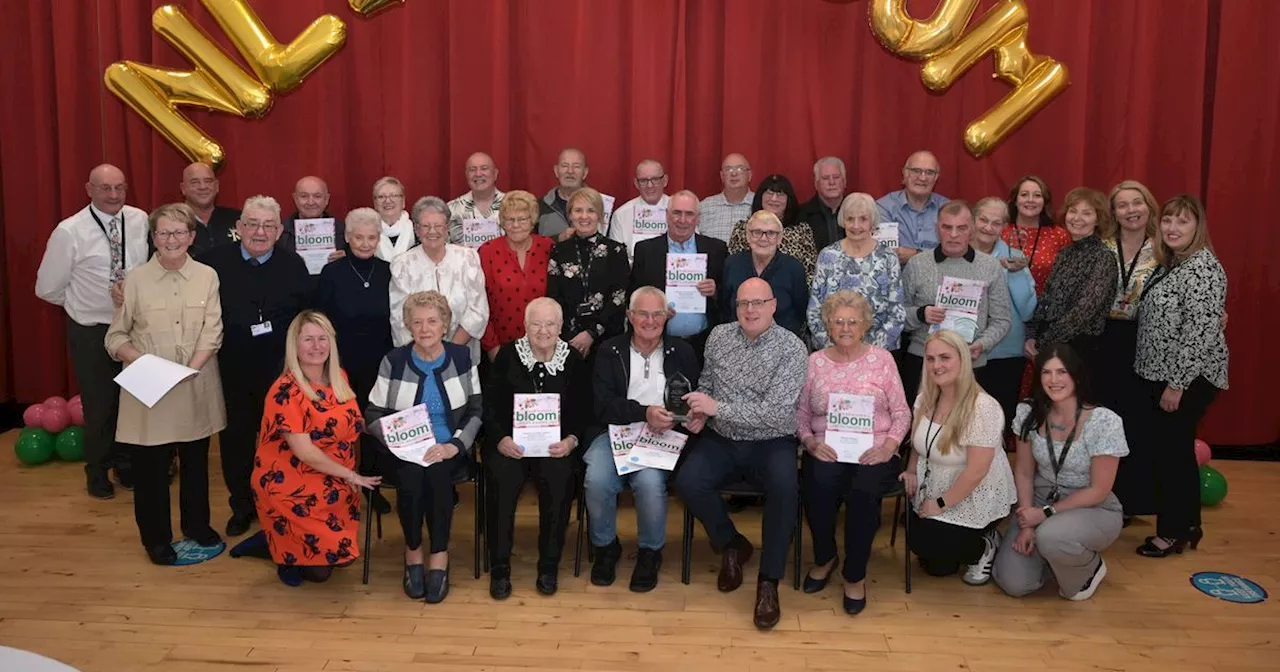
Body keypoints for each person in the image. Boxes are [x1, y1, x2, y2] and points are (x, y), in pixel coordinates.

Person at [675, 278, 808, 630]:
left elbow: (777, 414)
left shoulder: (792, 348)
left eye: (758, 303)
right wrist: (700, 412)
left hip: (772, 440)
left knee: (785, 490)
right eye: (743, 303)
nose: (751, 310)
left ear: (773, 305)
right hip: (723, 438)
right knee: (688, 481)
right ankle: (732, 544)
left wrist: (717, 407)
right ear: (735, 306)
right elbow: (706, 384)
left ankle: (769, 581)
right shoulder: (718, 337)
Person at [105, 203, 225, 565]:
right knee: (151, 472)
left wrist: (189, 371)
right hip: (149, 391)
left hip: (194, 384)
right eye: (163, 233)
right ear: (153, 238)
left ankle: (197, 528)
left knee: (195, 466)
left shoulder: (208, 276)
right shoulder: (135, 280)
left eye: (179, 232)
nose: (171, 239)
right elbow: (115, 336)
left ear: (191, 237)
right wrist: (141, 362)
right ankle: (155, 539)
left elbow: (213, 330)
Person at [198, 196, 312, 536]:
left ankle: (278, 505)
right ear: (239, 228)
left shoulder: (294, 266)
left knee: (281, 441)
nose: (259, 232)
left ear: (279, 231)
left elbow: (305, 317)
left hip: (280, 371)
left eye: (268, 226)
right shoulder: (212, 264)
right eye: (252, 224)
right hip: (231, 368)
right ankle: (242, 506)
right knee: (236, 442)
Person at [36, 164, 148, 498]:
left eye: (119, 188)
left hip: (134, 329)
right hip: (92, 329)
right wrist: (86, 306)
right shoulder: (69, 231)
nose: (113, 195)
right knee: (100, 406)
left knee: (134, 402)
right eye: (105, 188)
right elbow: (47, 288)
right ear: (89, 189)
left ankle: (126, 465)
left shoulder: (141, 219)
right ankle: (97, 471)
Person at [795, 291, 910, 615]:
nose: (845, 327)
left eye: (852, 321)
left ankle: (854, 574)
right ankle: (825, 555)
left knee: (864, 490)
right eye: (838, 321)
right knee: (816, 483)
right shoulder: (814, 362)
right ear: (828, 325)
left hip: (874, 448)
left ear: (865, 326)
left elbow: (902, 412)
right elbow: (801, 415)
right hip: (827, 446)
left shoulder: (882, 360)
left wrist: (888, 447)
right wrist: (811, 442)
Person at [364, 291, 483, 603]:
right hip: (403, 452)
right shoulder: (394, 361)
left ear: (445, 324)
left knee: (440, 476)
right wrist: (398, 441)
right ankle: (413, 551)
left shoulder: (461, 358)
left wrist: (455, 445)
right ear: (408, 326)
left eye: (432, 321)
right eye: (417, 322)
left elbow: (476, 409)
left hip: (448, 447)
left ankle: (439, 555)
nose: (425, 328)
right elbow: (373, 412)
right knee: (413, 478)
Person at [252, 311, 379, 586]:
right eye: (308, 339)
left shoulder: (338, 377)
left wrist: (395, 428)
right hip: (292, 483)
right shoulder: (285, 390)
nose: (316, 346)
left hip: (333, 477)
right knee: (320, 574)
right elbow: (306, 453)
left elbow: (355, 423)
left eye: (323, 339)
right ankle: (280, 550)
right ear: (294, 346)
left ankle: (277, 539)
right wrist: (352, 476)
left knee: (343, 559)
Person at [585, 287, 700, 591]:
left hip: (662, 436)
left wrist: (686, 418)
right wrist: (643, 412)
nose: (650, 321)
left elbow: (692, 400)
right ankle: (605, 547)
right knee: (596, 479)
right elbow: (602, 404)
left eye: (657, 314)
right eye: (643, 314)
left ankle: (650, 552)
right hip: (614, 432)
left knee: (649, 483)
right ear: (630, 316)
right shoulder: (608, 350)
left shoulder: (683, 352)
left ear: (667, 317)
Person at [992, 344, 1128, 600]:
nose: (1053, 380)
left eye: (1061, 372)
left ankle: (1089, 567)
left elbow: (1099, 489)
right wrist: (1025, 524)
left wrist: (1043, 515)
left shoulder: (1104, 421)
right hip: (1042, 497)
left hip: (1091, 505)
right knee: (1015, 583)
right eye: (1046, 373)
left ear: (1076, 375)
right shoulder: (1028, 413)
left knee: (1052, 536)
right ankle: (1051, 557)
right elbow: (1022, 472)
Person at [1132, 195, 1228, 557]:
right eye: (1168, 221)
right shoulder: (1173, 264)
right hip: (1163, 374)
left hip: (1186, 380)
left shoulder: (1203, 268)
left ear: (1197, 228)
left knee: (1172, 456)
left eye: (1182, 222)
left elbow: (1199, 333)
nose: (1173, 228)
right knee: (1174, 455)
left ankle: (1172, 533)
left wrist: (1177, 385)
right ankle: (1186, 525)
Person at [483, 298, 590, 599]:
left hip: (556, 446)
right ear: (525, 326)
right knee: (501, 480)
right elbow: (490, 405)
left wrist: (570, 441)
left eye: (550, 324)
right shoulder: (507, 355)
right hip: (510, 444)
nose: (543, 331)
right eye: (536, 324)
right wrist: (501, 439)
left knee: (559, 478)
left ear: (561, 326)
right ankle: (500, 566)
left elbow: (584, 410)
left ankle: (549, 565)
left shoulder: (572, 360)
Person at [900, 330, 1016, 584]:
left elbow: (977, 471)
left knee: (935, 548)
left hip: (973, 491)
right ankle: (950, 539)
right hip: (932, 483)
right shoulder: (925, 399)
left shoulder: (982, 408)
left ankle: (986, 542)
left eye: (944, 358)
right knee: (931, 559)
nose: (936, 365)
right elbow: (919, 444)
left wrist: (939, 504)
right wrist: (910, 471)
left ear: (963, 360)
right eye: (930, 359)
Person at [899, 201, 1012, 403]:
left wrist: (982, 344)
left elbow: (1002, 320)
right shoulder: (917, 264)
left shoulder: (990, 267)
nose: (953, 234)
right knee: (921, 428)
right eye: (947, 227)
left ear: (972, 230)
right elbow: (898, 315)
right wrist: (920, 314)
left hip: (971, 361)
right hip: (924, 361)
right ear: (937, 229)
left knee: (968, 429)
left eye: (961, 228)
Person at [1100, 180, 1160, 519]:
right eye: (1122, 205)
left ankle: (1135, 501)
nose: (1130, 210)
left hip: (1145, 339)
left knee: (1139, 420)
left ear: (1148, 206)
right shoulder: (1103, 247)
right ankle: (1108, 497)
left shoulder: (1164, 248)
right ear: (1114, 213)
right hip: (1106, 342)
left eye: (1137, 203)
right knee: (1110, 420)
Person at [389, 196, 489, 363]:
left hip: (461, 355)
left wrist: (449, 352)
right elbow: (400, 318)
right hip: (418, 359)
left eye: (438, 226)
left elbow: (478, 311)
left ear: (447, 227)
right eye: (426, 226)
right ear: (416, 229)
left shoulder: (467, 258)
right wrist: (426, 353)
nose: (432, 231)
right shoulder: (403, 264)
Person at [313, 208, 394, 412]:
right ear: (348, 237)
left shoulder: (389, 271)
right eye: (359, 237)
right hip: (341, 362)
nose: (365, 244)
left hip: (381, 361)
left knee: (375, 422)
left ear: (378, 239)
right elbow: (320, 320)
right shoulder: (331, 272)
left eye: (371, 237)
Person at [1025, 188, 1118, 364]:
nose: (1077, 218)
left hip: (1079, 348)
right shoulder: (1065, 252)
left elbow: (1083, 311)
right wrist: (1032, 336)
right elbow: (1047, 298)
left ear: (1098, 219)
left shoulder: (1103, 256)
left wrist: (1043, 343)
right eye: (1073, 211)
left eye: (1087, 213)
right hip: (1050, 343)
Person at [630, 190, 728, 356]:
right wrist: (655, 309)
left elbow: (731, 295)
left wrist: (716, 290)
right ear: (667, 216)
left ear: (698, 218)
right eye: (677, 213)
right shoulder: (645, 250)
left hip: (704, 343)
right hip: (658, 341)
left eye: (689, 214)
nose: (682, 220)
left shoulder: (716, 249)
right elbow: (632, 296)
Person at [969, 197, 1037, 432]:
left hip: (1005, 354)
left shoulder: (1015, 257)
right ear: (973, 219)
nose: (988, 228)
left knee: (997, 424)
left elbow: (1029, 311)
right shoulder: (958, 251)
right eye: (983, 220)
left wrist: (1015, 274)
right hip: (964, 350)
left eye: (996, 223)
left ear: (1004, 227)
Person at [807, 192, 905, 351]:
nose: (856, 226)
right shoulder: (828, 256)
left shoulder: (888, 257)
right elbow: (814, 310)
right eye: (850, 219)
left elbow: (897, 312)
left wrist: (868, 353)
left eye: (863, 219)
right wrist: (835, 348)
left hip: (876, 353)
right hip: (834, 351)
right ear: (842, 221)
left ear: (872, 222)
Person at [546, 187, 630, 360]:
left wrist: (591, 333)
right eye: (578, 210)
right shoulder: (558, 251)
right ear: (570, 215)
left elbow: (619, 298)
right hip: (567, 341)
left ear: (600, 215)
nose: (584, 216)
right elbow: (554, 297)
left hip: (607, 340)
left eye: (590, 210)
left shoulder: (616, 251)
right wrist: (570, 337)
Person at [478, 190, 553, 360]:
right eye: (510, 220)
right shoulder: (487, 251)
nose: (516, 225)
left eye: (522, 219)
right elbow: (480, 302)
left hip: (545, 344)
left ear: (532, 220)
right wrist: (492, 347)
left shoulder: (548, 247)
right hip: (502, 346)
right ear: (502, 222)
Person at [720, 211, 807, 337]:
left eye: (771, 233)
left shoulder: (794, 268)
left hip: (781, 342)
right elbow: (725, 306)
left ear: (779, 239)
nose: (763, 238)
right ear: (748, 236)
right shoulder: (732, 264)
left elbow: (800, 311)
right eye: (757, 232)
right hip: (738, 341)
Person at [727, 174, 818, 283]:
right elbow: (732, 269)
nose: (774, 198)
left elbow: (810, 273)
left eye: (780, 194)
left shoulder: (802, 231)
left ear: (789, 199)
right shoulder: (742, 229)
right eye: (769, 193)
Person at [875, 150, 950, 264]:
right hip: (899, 279)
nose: (923, 178)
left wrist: (915, 254)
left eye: (929, 172)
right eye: (916, 171)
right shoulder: (884, 207)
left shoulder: (947, 209)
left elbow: (954, 251)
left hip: (938, 278)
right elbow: (885, 254)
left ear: (936, 178)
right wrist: (933, 254)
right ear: (905, 173)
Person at [1002, 175, 1069, 295]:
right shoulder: (1001, 232)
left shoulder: (1059, 235)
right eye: (1024, 194)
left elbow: (1067, 277)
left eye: (1037, 195)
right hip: (1005, 308)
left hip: (1047, 308)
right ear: (1015, 201)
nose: (1030, 200)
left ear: (1045, 202)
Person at [539, 148, 614, 240]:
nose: (570, 171)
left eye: (577, 166)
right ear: (556, 171)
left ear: (585, 173)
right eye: (565, 165)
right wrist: (557, 238)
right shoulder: (540, 206)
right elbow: (529, 243)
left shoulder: (602, 204)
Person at [608, 159, 670, 260]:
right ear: (636, 184)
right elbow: (616, 257)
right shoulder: (621, 214)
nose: (650, 185)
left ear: (665, 181)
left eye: (655, 179)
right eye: (643, 180)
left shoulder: (681, 210)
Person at [279, 176, 346, 262]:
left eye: (317, 196)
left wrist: (346, 260)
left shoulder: (344, 231)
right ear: (295, 199)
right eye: (304, 196)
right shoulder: (280, 232)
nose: (310, 202)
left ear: (327, 199)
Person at [179, 162, 240, 255]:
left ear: (216, 186)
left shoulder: (238, 219)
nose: (203, 187)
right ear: (183, 188)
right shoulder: (170, 223)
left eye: (208, 181)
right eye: (195, 182)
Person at [447, 152, 506, 244]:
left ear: (495, 173)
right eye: (472, 169)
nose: (478, 174)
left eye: (484, 168)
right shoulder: (451, 209)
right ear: (466, 175)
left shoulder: (513, 205)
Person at [698, 154, 754, 243]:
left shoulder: (760, 203)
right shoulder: (704, 206)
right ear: (722, 176)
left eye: (740, 168)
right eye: (728, 169)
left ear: (749, 175)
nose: (734, 173)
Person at [798, 157, 848, 251]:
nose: (831, 182)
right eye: (825, 178)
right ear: (816, 184)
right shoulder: (801, 215)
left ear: (844, 182)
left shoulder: (857, 212)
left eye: (836, 177)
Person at [371, 176, 416, 262]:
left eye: (394, 196)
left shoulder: (418, 230)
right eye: (381, 197)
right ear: (375, 204)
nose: (387, 201)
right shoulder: (366, 231)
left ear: (403, 201)